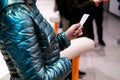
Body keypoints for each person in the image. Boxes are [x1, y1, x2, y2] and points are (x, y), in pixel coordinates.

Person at [0, 0, 83, 80]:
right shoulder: (16, 15)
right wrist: (66, 63)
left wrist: (65, 37)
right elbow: (35, 78)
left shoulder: (26, 6)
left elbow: (40, 47)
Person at [55, 0, 102, 79]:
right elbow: (75, 8)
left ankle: (73, 69)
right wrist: (91, 3)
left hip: (74, 19)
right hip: (70, 19)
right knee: (69, 48)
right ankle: (69, 72)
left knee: (72, 47)